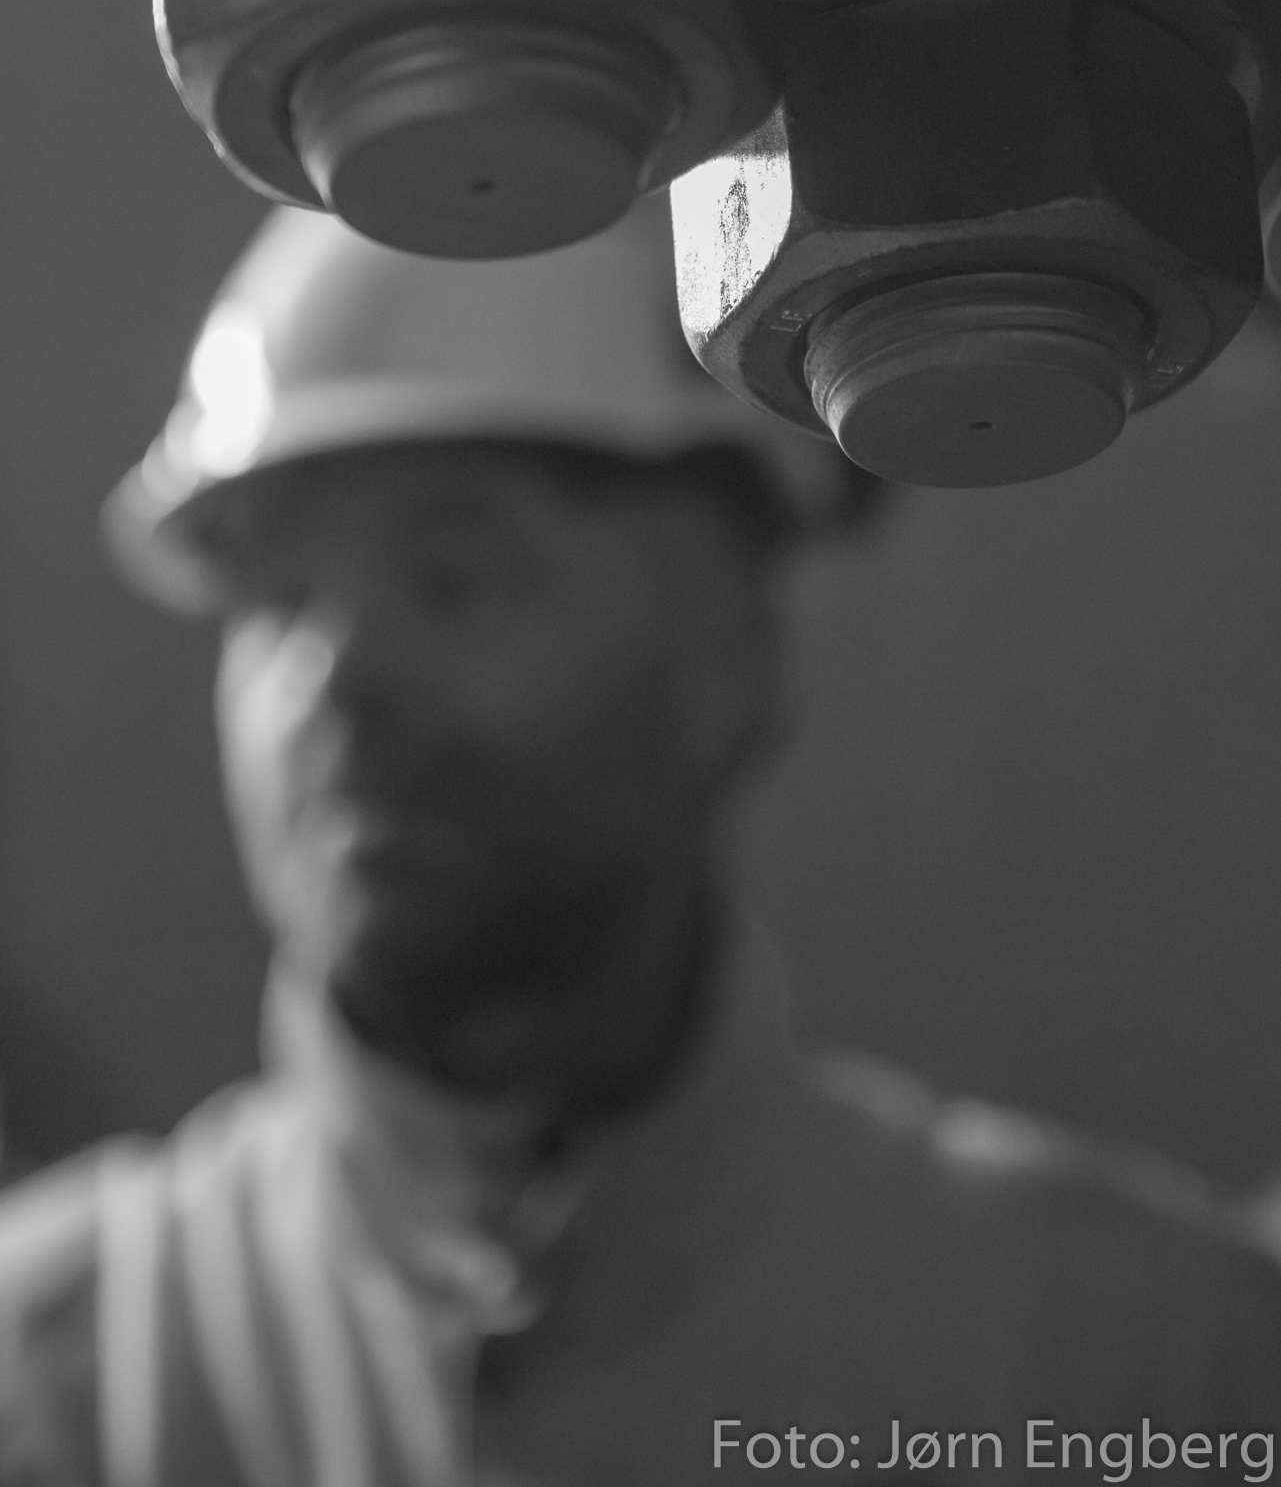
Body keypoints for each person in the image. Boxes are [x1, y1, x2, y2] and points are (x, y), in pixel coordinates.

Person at [0, 200, 1278, 1487]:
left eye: (454, 576)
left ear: (730, 651)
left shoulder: (1144, 1373)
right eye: (276, 596)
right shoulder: (51, 1384)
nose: (332, 678)